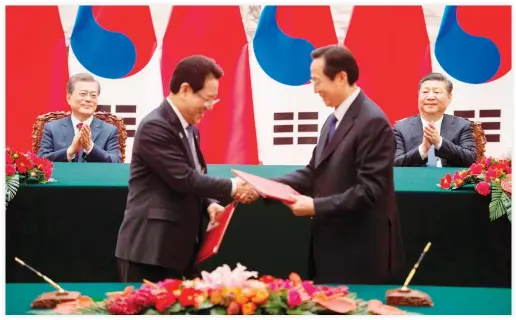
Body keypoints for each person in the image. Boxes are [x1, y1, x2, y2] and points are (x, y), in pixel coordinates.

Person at [115, 55, 258, 282]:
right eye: (207, 99)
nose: (210, 107)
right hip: (150, 252)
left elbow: (195, 175)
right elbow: (183, 178)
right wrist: (233, 187)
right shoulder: (156, 126)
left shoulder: (191, 128)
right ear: (185, 90)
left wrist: (209, 204)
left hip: (177, 251)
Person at [272, 45, 404, 285]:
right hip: (331, 248)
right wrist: (266, 186)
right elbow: (313, 171)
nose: (315, 90)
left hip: (359, 252)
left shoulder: (372, 122)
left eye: (317, 81)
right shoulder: (334, 119)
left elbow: (370, 191)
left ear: (342, 77)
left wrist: (315, 206)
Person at [393, 72, 477, 167]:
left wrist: (439, 143)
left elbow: (470, 160)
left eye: (436, 92)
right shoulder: (400, 128)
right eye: (425, 92)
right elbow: (395, 164)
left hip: (451, 181)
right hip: (413, 181)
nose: (430, 97)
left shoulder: (462, 126)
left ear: (449, 97)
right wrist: (422, 150)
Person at [38, 73, 121, 163]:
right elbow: (41, 162)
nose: (89, 99)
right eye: (83, 94)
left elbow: (116, 162)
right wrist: (69, 152)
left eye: (93, 95)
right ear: (69, 98)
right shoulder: (52, 128)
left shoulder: (109, 130)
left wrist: (90, 148)